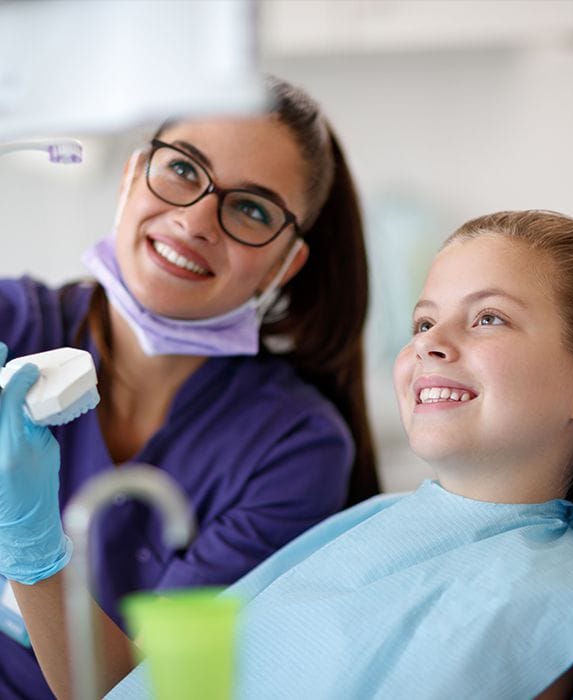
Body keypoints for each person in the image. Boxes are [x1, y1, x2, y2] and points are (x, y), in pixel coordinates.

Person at [2, 210, 573, 699]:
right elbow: (128, 685)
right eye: (422, 321)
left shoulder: (542, 590)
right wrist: (34, 544)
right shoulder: (374, 522)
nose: (431, 344)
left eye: (488, 317)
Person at [0, 75, 378, 699]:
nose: (197, 219)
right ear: (130, 176)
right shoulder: (15, 323)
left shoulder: (292, 449)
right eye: (181, 170)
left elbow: (140, 691)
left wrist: (36, 554)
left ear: (285, 265)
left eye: (251, 209)